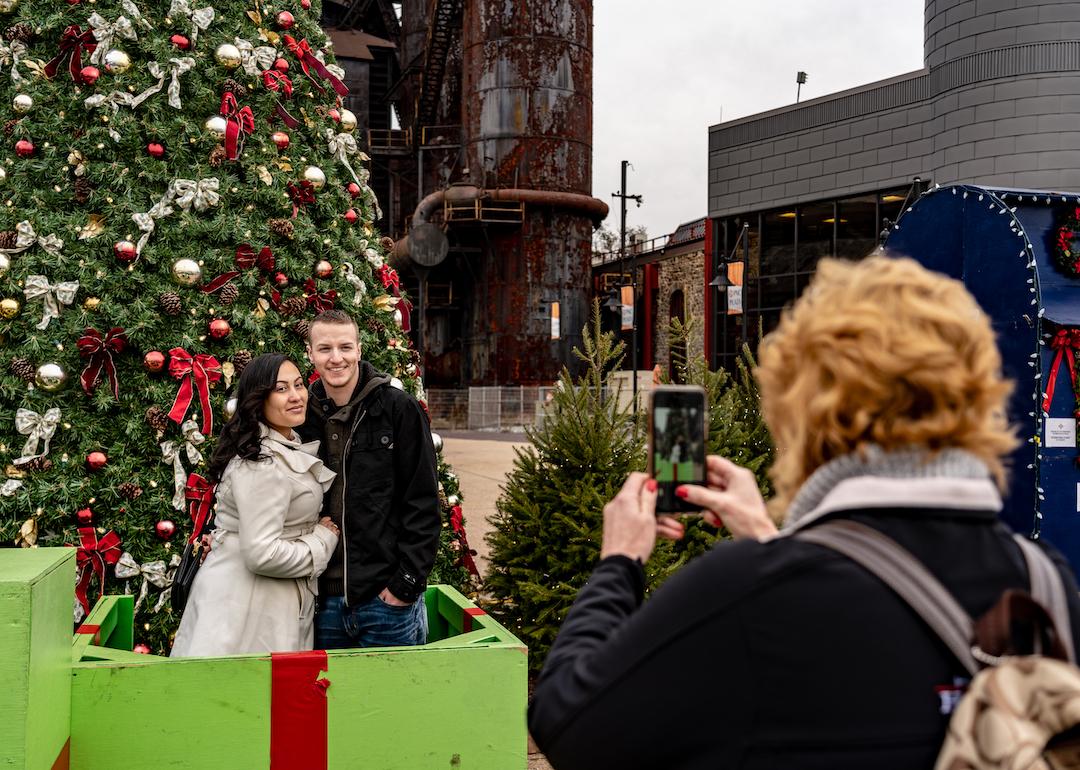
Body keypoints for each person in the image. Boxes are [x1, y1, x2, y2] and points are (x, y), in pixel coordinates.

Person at [528, 256, 1080, 769]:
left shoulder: (752, 590)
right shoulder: (1047, 584)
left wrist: (619, 560)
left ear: (804, 402)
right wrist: (778, 538)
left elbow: (567, 720)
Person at [171, 353, 339, 657]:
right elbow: (263, 554)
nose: (296, 396)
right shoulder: (262, 465)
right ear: (258, 398)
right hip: (245, 606)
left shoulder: (283, 446)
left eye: (299, 385)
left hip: (263, 599)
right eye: (281, 389)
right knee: (242, 696)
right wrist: (322, 540)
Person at [300, 309, 440, 649]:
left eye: (345, 347)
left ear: (360, 350)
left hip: (386, 604)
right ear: (310, 354)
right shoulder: (300, 414)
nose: (336, 358)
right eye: (325, 349)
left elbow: (422, 499)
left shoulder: (398, 409)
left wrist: (404, 586)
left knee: (393, 702)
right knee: (327, 703)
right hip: (319, 605)